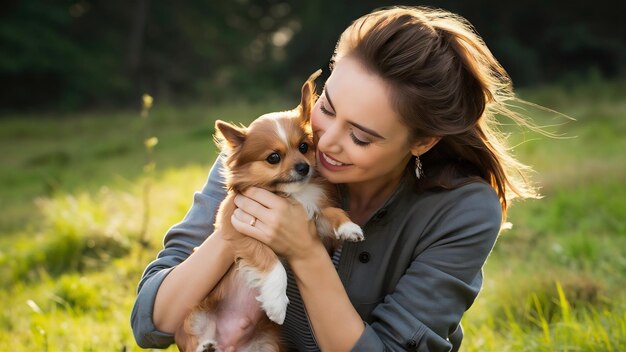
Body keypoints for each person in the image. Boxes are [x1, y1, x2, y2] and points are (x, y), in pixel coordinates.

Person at [131, 5, 541, 351]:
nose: (325, 144)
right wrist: (236, 224)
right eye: (326, 108)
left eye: (360, 137)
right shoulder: (270, 154)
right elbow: (152, 322)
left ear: (422, 142)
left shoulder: (462, 211)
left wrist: (306, 252)